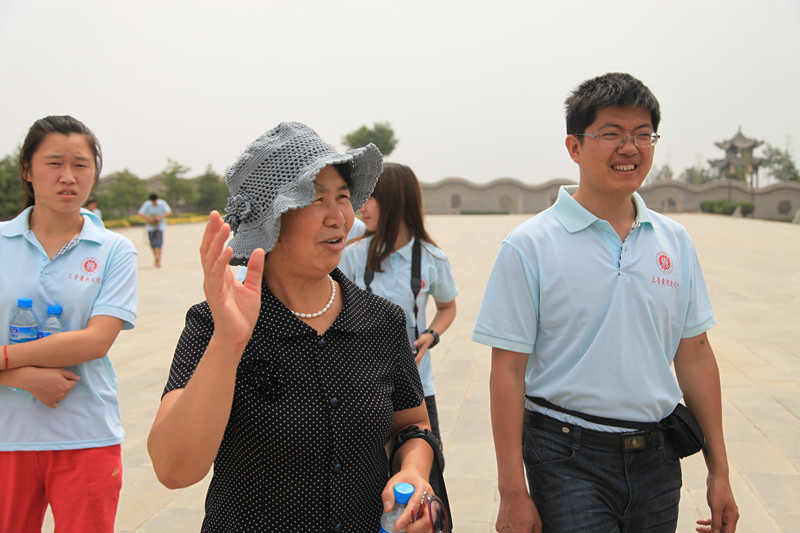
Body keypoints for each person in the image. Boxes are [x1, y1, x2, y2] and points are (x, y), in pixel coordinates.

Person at [472, 73, 738, 533]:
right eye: (611, 133)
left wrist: (720, 471)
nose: (629, 148)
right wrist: (513, 491)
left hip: (658, 459)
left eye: (642, 135)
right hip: (565, 454)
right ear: (574, 147)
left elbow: (695, 355)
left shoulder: (674, 241)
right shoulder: (530, 245)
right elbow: (508, 371)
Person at [147, 122, 436, 533]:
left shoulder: (381, 320)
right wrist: (228, 343)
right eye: (316, 199)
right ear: (271, 219)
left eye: (342, 197)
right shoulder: (213, 323)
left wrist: (413, 471)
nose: (339, 217)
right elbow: (174, 469)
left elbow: (412, 422)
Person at [0, 115, 138, 533]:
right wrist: (22, 377)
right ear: (27, 170)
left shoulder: (115, 250)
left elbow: (95, 341)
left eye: (80, 165)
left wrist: (5, 359)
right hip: (6, 438)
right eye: (54, 163)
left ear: (94, 174)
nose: (68, 176)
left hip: (85, 434)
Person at [340, 162, 458, 442]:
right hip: (362, 388)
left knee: (427, 463)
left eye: (370, 197)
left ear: (395, 201)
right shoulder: (352, 255)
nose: (361, 207)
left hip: (418, 387)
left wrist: (431, 335)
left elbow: (447, 307)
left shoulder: (433, 258)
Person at [138, 192, 171, 267]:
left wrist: (161, 217)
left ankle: (159, 259)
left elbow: (169, 212)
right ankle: (156, 257)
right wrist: (148, 218)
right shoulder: (147, 204)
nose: (154, 203)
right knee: (153, 245)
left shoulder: (162, 203)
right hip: (150, 228)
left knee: (159, 244)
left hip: (160, 227)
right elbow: (140, 213)